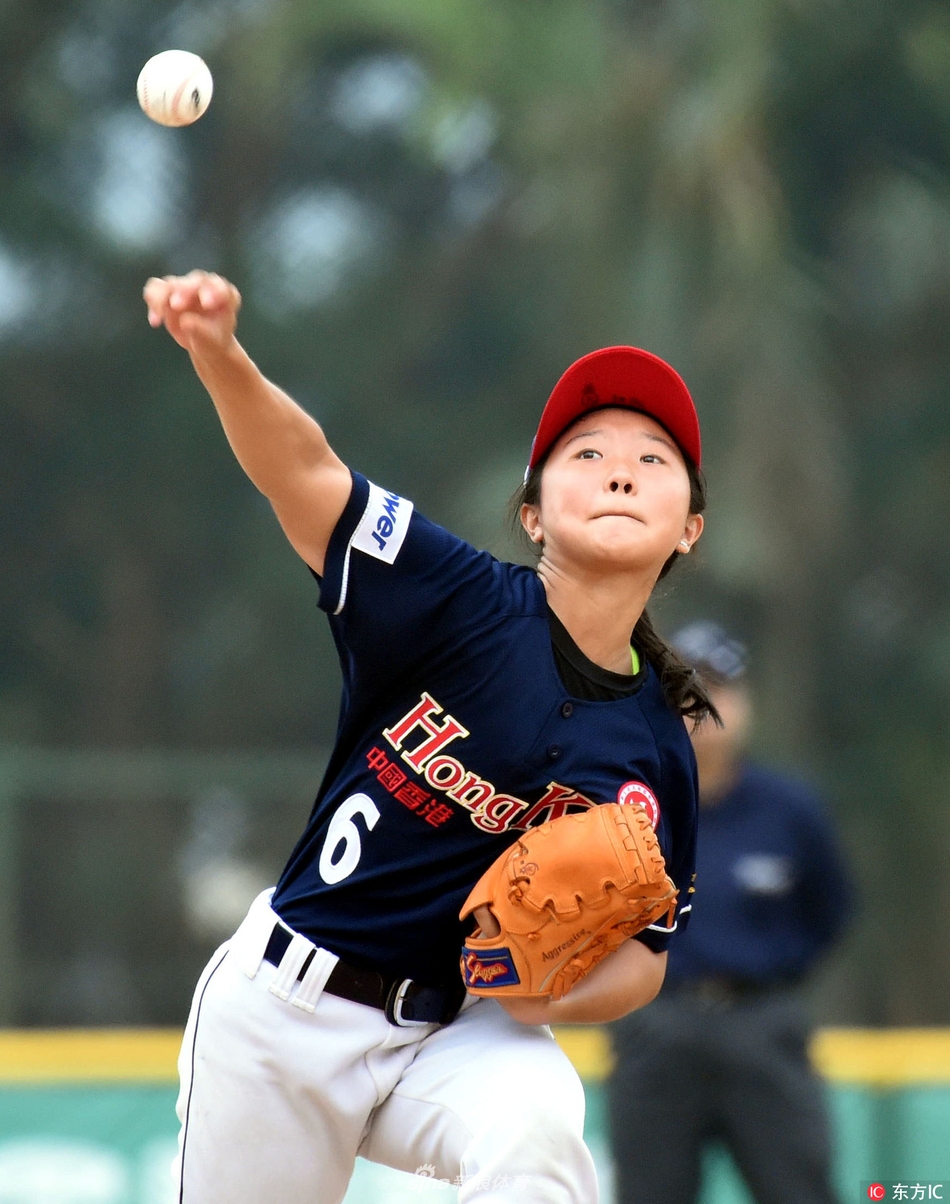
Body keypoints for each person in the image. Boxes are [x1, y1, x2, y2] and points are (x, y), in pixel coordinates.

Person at [143, 269, 715, 1204]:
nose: (620, 471)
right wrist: (220, 353)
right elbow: (306, 471)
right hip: (288, 1011)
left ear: (689, 527)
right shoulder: (453, 598)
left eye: (654, 460)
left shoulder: (655, 749)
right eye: (587, 453)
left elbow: (649, 956)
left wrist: (549, 996)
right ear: (532, 514)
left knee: (538, 1122)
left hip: (459, 1032)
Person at [607, 622, 853, 1204]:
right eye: (684, 691)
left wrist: (770, 980)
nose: (701, 707)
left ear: (745, 703)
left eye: (716, 688)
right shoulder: (625, 808)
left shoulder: (790, 809)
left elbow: (830, 912)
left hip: (763, 1028)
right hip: (655, 1027)